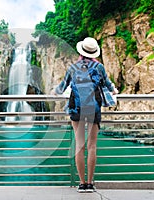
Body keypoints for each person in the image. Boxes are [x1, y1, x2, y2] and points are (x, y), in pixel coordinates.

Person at [52, 37, 118, 193]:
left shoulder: (73, 67)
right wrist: (114, 91)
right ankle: (90, 183)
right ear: (94, 52)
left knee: (79, 146)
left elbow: (61, 88)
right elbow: (109, 86)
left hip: (76, 108)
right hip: (93, 107)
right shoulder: (99, 67)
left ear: (81, 51)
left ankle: (81, 184)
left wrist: (53, 92)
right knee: (92, 146)